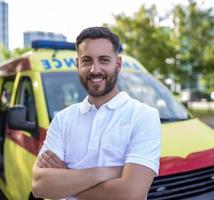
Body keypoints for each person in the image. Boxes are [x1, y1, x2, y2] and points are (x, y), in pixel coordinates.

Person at [32, 26, 161, 200]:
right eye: (87, 61)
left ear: (118, 64)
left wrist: (66, 177)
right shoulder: (62, 120)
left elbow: (131, 194)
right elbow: (40, 186)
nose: (95, 69)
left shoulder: (144, 116)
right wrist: (108, 172)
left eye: (104, 60)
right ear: (78, 65)